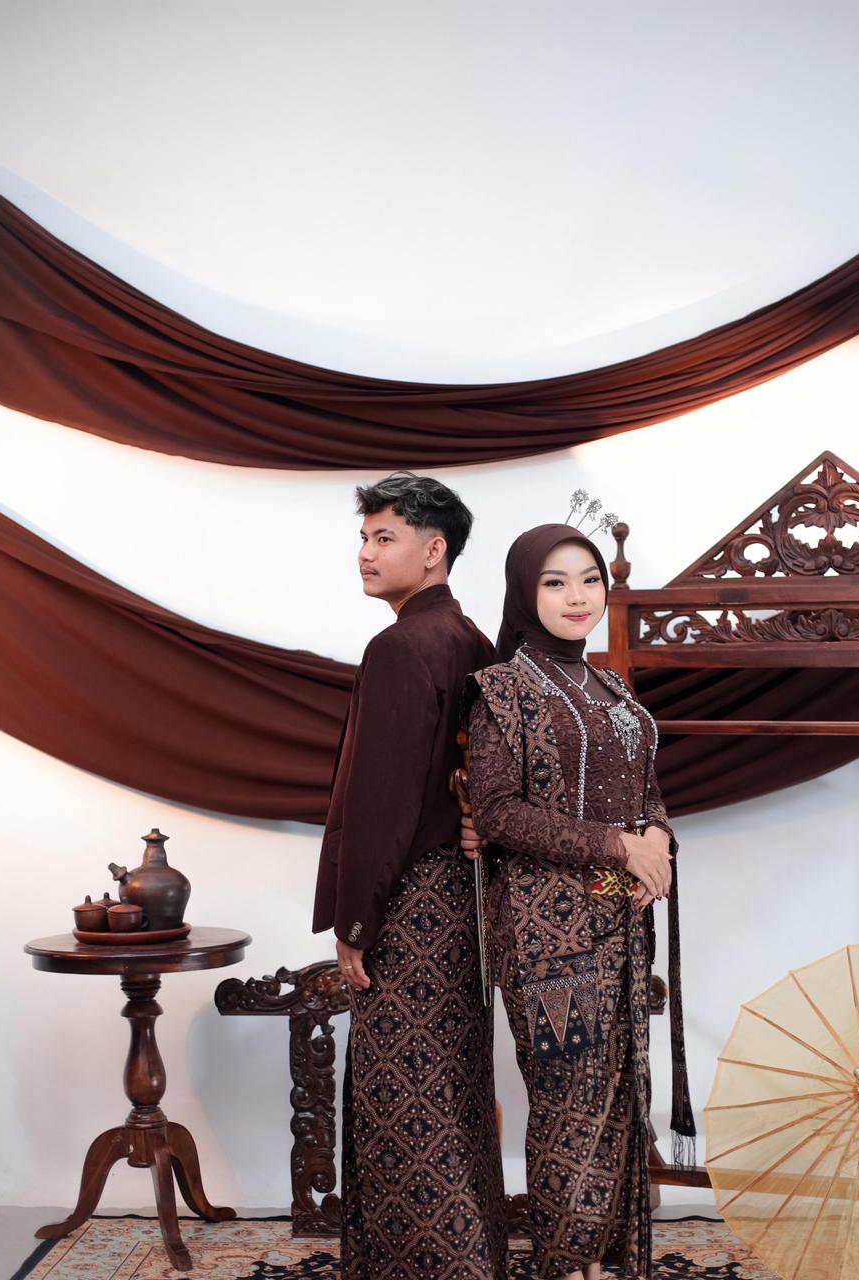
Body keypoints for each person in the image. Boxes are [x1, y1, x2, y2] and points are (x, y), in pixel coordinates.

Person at [462, 523, 695, 1280]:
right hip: (545, 936)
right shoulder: (502, 690)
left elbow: (647, 792)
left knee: (620, 1096)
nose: (577, 596)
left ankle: (602, 1260)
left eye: (590, 579)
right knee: (568, 1099)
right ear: (524, 591)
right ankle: (565, 1266)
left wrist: (656, 839)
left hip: (620, 925)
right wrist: (621, 847)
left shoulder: (613, 689)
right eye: (556, 581)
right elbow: (499, 813)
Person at [312, 472, 507, 1280]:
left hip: (409, 904)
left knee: (402, 1100)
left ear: (434, 551)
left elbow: (383, 802)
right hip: (460, 903)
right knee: (452, 1089)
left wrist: (356, 923)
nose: (365, 553)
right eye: (363, 537)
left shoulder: (400, 647)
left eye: (383, 537)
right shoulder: (470, 640)